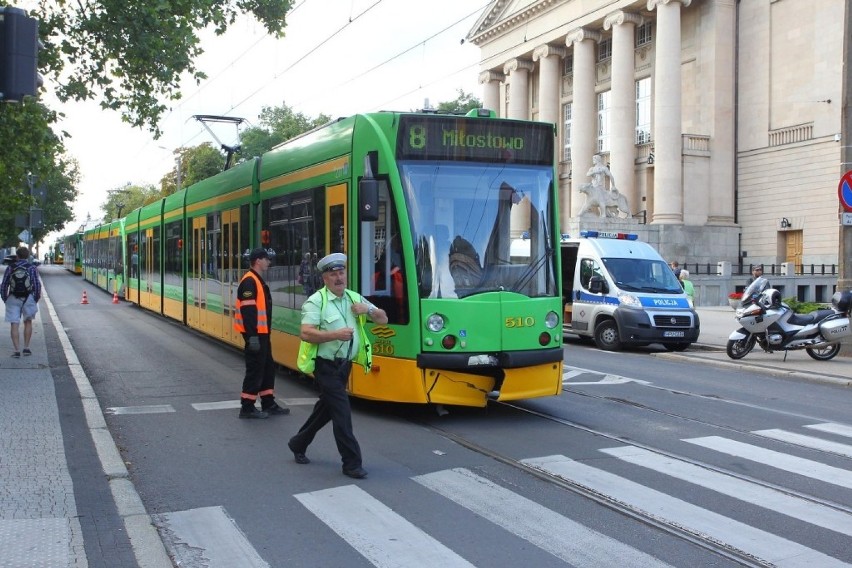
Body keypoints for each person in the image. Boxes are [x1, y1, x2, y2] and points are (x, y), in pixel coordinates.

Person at [288, 252, 388, 479]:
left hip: (346, 366)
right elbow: (305, 333)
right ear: (325, 278)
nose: (338, 277)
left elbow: (384, 319)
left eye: (341, 273)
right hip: (325, 366)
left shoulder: (355, 298)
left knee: (326, 410)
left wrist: (370, 310)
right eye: (333, 274)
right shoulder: (316, 301)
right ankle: (352, 463)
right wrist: (335, 334)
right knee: (342, 413)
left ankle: (298, 443)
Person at [233, 248, 290, 419]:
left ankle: (268, 402)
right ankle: (247, 406)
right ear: (258, 261)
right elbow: (248, 312)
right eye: (266, 259)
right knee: (255, 369)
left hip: (262, 333)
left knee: (267, 367)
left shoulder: (256, 280)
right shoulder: (250, 281)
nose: (269, 262)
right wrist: (252, 337)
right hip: (255, 334)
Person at [1, 246, 41, 358]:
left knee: (14, 323)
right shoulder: (32, 268)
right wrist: (35, 298)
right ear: (28, 256)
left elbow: (4, 285)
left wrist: (5, 298)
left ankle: (16, 350)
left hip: (13, 297)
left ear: (17, 256)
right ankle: (26, 348)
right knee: (28, 322)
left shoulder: (10, 268)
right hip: (28, 297)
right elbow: (37, 285)